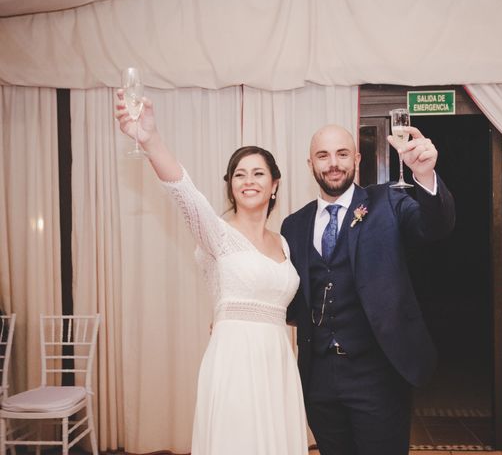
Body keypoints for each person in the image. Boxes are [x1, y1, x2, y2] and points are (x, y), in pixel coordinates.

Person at [115, 92, 308, 454]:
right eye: (239, 174)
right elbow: (184, 193)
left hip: (278, 362)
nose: (248, 181)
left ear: (275, 184)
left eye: (258, 173)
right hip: (234, 360)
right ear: (231, 185)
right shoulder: (217, 234)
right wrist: (150, 140)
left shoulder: (284, 243)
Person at [281, 124, 455, 455]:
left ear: (357, 159)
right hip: (319, 378)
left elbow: (435, 227)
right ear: (310, 164)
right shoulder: (294, 224)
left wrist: (426, 176)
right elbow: (287, 296)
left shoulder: (387, 201)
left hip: (378, 372)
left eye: (342, 154)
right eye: (323, 155)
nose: (333, 163)